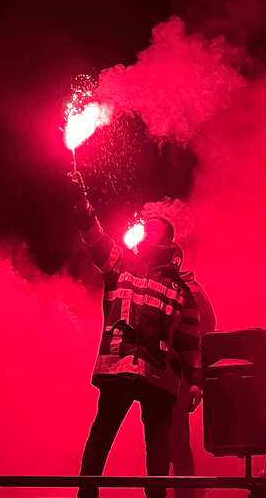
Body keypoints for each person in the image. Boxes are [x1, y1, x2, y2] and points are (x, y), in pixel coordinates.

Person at [68, 171, 202, 498]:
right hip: (119, 365)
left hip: (160, 375)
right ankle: (87, 496)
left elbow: (189, 340)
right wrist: (82, 205)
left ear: (168, 242)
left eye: (153, 231)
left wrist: (195, 379)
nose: (145, 232)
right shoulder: (122, 263)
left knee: (158, 448)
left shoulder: (182, 289)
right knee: (101, 435)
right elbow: (95, 239)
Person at [168, 245, 216, 498]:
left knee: (177, 445)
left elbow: (204, 333)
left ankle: (186, 496)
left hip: (178, 378)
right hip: (161, 376)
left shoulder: (192, 292)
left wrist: (194, 376)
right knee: (162, 444)